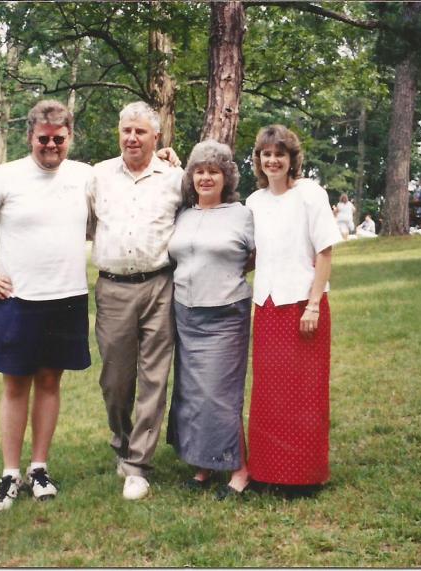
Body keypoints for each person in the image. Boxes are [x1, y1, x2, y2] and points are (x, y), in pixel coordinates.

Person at [0, 100, 92, 512]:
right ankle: (10, 473)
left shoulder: (84, 176)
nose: (52, 146)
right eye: (44, 139)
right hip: (18, 299)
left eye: (59, 139)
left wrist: (167, 155)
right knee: (15, 386)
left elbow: (126, 175)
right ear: (30, 136)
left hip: (67, 297)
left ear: (70, 137)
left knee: (50, 382)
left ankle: (39, 468)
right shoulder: (4, 177)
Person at [89, 101, 184, 501]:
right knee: (115, 379)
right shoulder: (96, 176)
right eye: (126, 130)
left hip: (161, 285)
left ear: (156, 138)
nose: (131, 138)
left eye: (140, 132)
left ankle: (138, 465)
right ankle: (122, 441)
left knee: (154, 377)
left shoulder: (176, 178)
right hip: (112, 288)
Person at [245, 125, 343, 496]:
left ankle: (303, 476)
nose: (272, 160)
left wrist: (314, 304)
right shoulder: (254, 202)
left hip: (303, 306)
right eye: (266, 154)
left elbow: (325, 251)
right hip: (267, 306)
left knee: (304, 394)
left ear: (292, 159)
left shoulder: (310, 194)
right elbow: (254, 256)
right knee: (270, 395)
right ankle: (268, 473)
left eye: (279, 154)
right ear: (258, 160)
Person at [166, 140, 255, 500]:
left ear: (226, 176)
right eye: (199, 171)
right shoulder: (184, 215)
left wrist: (230, 275)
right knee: (192, 393)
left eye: (213, 171)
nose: (205, 177)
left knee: (219, 395)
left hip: (225, 313)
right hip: (185, 313)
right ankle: (203, 465)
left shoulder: (242, 214)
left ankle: (240, 470)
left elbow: (256, 255)